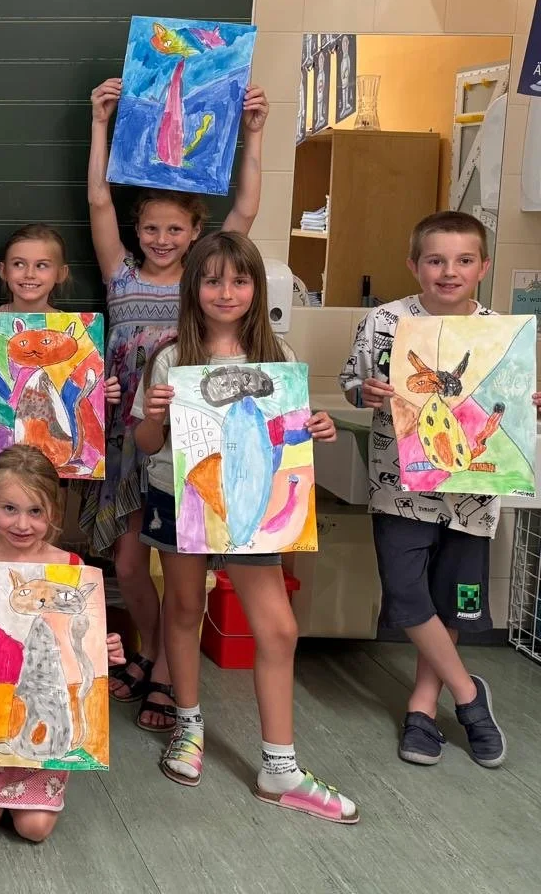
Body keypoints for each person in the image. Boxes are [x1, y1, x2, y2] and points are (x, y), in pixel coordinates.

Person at [134, 232, 356, 822]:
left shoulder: (277, 355)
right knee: (184, 607)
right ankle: (188, 724)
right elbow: (146, 443)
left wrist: (316, 428)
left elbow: (286, 433)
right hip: (181, 498)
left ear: (257, 288)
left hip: (253, 507)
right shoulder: (171, 356)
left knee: (278, 628)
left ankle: (280, 765)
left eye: (239, 280)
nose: (226, 292)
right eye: (212, 281)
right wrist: (153, 417)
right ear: (194, 288)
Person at [83, 76, 268, 733]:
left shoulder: (203, 281)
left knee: (179, 562)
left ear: (195, 233)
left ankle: (163, 672)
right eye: (151, 227)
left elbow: (246, 207)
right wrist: (100, 123)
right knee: (129, 562)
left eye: (174, 228)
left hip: (189, 441)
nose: (161, 238)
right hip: (127, 432)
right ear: (137, 230)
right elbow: (98, 199)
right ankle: (155, 651)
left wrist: (252, 136)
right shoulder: (120, 275)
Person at [340, 211, 536, 768]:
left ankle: (423, 706)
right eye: (436, 260)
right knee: (405, 595)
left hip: (473, 494)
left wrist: (528, 405)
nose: (449, 271)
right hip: (399, 486)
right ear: (414, 265)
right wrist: (365, 392)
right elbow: (351, 384)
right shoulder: (384, 322)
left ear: (483, 267)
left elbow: (511, 398)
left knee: (454, 599)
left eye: (464, 261)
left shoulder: (501, 330)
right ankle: (470, 695)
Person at [0, 446, 125, 843]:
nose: (22, 524)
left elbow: (78, 639)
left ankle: (37, 774)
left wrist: (102, 649)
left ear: (53, 511)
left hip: (50, 701)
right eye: (10, 509)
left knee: (34, 829)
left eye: (36, 511)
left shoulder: (71, 567)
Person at [0, 223, 120, 545]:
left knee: (43, 549)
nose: (29, 274)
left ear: (61, 273)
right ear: (3, 271)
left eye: (42, 265)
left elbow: (82, 400)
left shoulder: (76, 333)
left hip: (53, 459)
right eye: (19, 264)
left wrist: (104, 394)